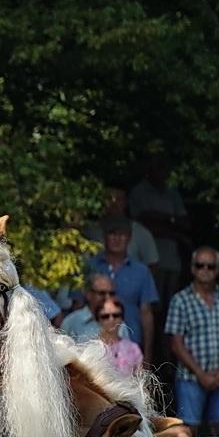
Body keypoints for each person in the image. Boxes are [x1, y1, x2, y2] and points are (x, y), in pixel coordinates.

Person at [165, 246, 219, 436]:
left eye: (211, 266)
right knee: (187, 430)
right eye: (200, 265)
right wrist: (200, 374)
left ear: (217, 270)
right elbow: (176, 344)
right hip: (190, 377)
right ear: (193, 269)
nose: (205, 269)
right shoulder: (180, 300)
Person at [86, 217, 158, 363]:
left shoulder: (141, 271)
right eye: (112, 233)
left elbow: (146, 314)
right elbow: (78, 305)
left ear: (129, 238)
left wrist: (148, 357)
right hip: (91, 344)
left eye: (122, 234)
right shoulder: (89, 267)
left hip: (130, 349)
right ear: (104, 236)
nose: (117, 238)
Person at [129, 158, 191, 299]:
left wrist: (163, 219)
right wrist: (173, 225)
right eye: (159, 166)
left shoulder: (172, 192)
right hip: (150, 257)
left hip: (173, 257)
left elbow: (185, 221)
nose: (163, 171)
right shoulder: (140, 191)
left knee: (171, 299)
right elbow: (145, 222)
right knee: (152, 300)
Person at [93, 300, 142, 376]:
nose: (111, 319)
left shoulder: (134, 348)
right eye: (105, 316)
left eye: (116, 315)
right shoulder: (90, 348)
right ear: (97, 319)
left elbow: (140, 378)